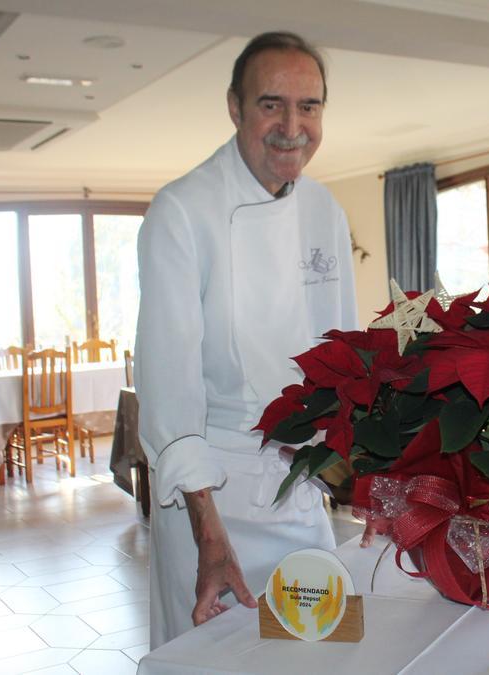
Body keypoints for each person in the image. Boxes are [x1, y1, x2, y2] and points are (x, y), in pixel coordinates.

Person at [135, 31, 357, 649]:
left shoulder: (324, 210)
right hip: (212, 498)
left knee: (317, 650)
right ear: (235, 107)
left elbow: (344, 358)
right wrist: (209, 532)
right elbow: (168, 384)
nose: (293, 126)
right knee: (216, 658)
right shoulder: (181, 211)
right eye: (271, 104)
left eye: (309, 106)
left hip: (299, 488)